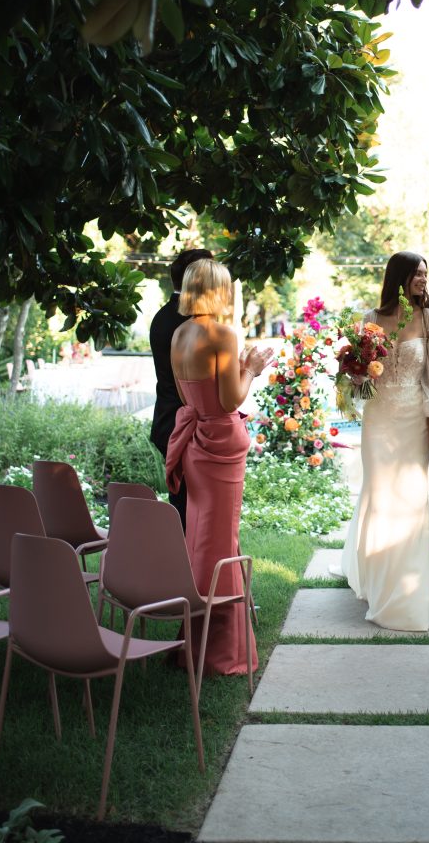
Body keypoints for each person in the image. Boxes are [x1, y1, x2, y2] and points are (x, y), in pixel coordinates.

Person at [165, 258, 273, 677]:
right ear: (218, 290)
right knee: (221, 543)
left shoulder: (179, 333)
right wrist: (251, 368)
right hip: (221, 444)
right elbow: (231, 401)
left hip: (194, 442)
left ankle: (191, 644)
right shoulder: (222, 333)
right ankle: (220, 654)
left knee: (200, 539)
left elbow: (185, 394)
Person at [340, 251, 429, 631]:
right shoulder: (370, 320)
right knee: (380, 495)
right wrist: (354, 374)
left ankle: (408, 593)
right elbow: (355, 378)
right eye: (418, 274)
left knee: (410, 498)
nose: (424, 280)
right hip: (379, 419)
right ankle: (377, 579)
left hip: (412, 420)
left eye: (426, 274)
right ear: (399, 278)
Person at [149, 247, 213, 529]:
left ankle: (187, 564)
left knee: (185, 507)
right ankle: (191, 567)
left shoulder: (162, 316)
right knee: (194, 512)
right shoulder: (193, 323)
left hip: (168, 420)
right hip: (188, 428)